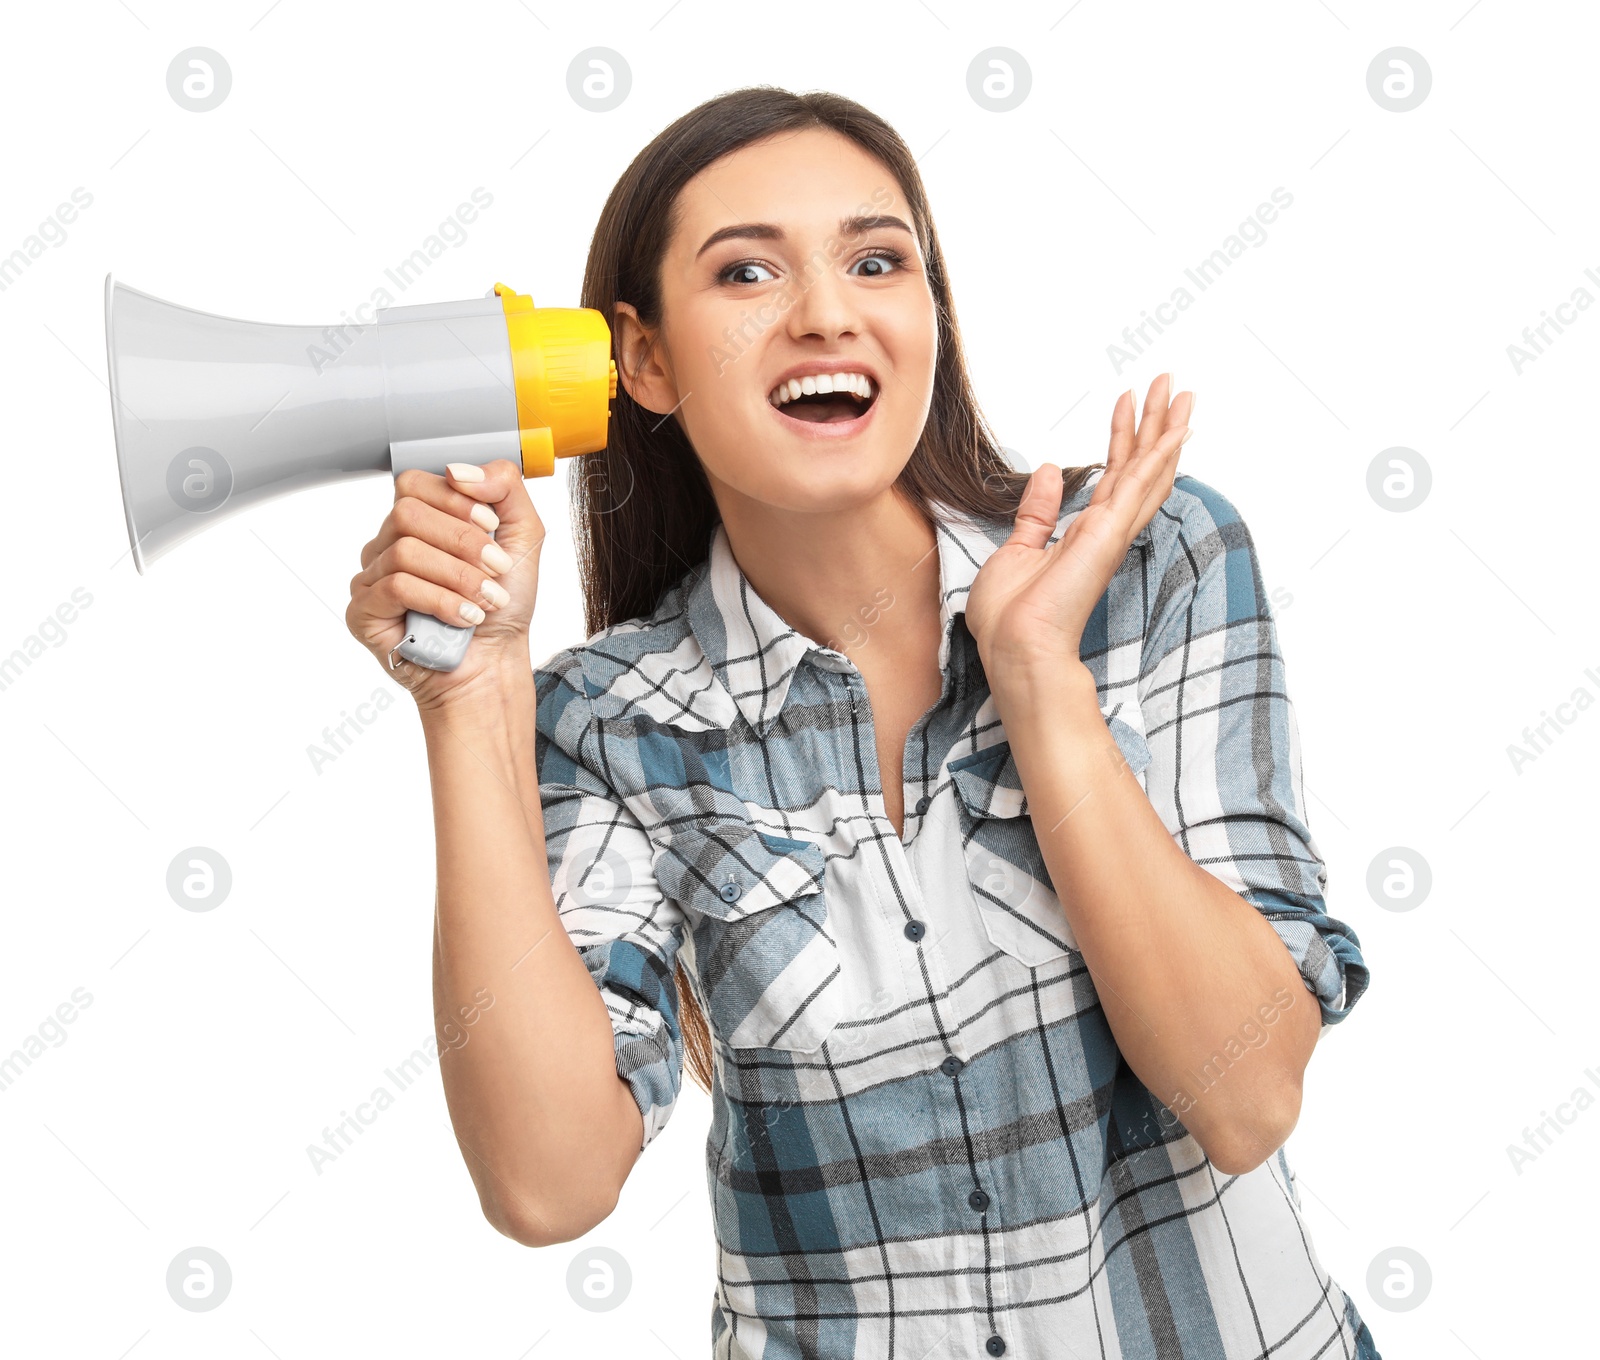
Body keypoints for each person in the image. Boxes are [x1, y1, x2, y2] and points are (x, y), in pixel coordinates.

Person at [345, 86, 1379, 1360]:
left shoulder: (1149, 558)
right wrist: (472, 697)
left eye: (877, 260)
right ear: (643, 359)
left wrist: (1038, 677)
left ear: (929, 315)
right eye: (746, 272)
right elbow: (549, 1184)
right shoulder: (603, 723)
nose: (827, 311)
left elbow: (1246, 1092)